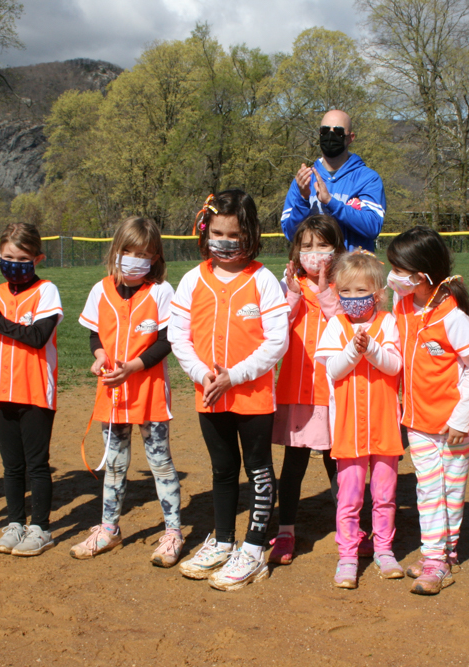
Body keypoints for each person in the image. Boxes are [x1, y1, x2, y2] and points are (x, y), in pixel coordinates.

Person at [169, 190, 290, 591]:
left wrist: (233, 376)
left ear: (250, 234)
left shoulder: (263, 280)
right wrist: (203, 374)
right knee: (223, 470)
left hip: (252, 397)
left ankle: (254, 549)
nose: (224, 241)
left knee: (257, 468)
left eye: (234, 234)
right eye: (217, 232)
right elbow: (178, 336)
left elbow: (276, 341)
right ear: (206, 232)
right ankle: (223, 541)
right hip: (209, 394)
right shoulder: (191, 279)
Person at [70, 216, 184, 568]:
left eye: (145, 254)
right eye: (129, 251)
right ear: (116, 251)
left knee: (160, 464)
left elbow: (167, 341)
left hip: (148, 390)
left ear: (156, 258)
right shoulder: (99, 289)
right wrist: (100, 356)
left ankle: (173, 533)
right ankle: (108, 530)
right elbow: (95, 335)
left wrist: (132, 367)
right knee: (116, 466)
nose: (136, 259)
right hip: (113, 394)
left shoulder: (162, 292)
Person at [387, 227, 469, 595]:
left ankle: (446, 552)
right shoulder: (402, 306)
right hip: (417, 421)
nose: (392, 274)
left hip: (452, 425)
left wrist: (461, 418)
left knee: (451, 490)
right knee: (429, 490)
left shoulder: (452, 317)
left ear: (423, 274)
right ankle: (434, 558)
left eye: (399, 268)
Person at [0, 223, 63, 557]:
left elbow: (37, 338)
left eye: (23, 258)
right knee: (11, 466)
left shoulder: (47, 290)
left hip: (35, 390)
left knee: (37, 465)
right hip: (2, 389)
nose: (14, 263)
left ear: (38, 258)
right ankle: (16, 523)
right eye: (8, 257)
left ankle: (41, 528)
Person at [314, 250, 404, 589]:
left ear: (378, 294)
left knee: (385, 495)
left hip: (384, 426)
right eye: (346, 292)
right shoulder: (335, 325)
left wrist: (373, 349)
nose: (352, 299)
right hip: (348, 428)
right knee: (349, 497)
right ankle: (348, 556)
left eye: (360, 291)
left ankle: (383, 549)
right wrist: (354, 349)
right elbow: (332, 371)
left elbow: (395, 366)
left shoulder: (389, 322)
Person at [269, 214, 346, 566]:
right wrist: (295, 296)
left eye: (322, 245)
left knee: (336, 464)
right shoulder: (290, 286)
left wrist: (326, 289)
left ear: (337, 249)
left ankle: (349, 529)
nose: (314, 252)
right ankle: (285, 530)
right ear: (296, 250)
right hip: (297, 393)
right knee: (293, 466)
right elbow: (276, 330)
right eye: (307, 246)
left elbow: (345, 325)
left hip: (332, 394)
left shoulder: (346, 286)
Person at [281, 110, 386, 251]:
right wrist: (303, 200)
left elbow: (372, 226)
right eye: (325, 131)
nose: (330, 136)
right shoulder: (304, 178)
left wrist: (331, 202)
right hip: (313, 270)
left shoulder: (367, 178)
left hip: (350, 270)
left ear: (350, 137)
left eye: (338, 132)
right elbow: (290, 234)